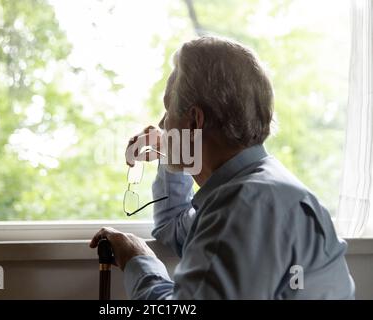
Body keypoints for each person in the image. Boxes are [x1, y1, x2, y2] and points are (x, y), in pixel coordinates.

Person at [89, 36, 355, 299]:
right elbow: (173, 227)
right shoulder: (255, 189)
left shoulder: (243, 205)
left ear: (194, 121)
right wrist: (172, 149)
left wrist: (138, 260)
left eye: (167, 112)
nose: (162, 123)